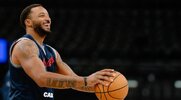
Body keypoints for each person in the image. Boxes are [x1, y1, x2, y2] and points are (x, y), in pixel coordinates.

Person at [9, 4, 115, 100]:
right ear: (28, 22)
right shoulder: (24, 45)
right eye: (42, 15)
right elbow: (41, 78)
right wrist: (86, 80)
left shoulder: (52, 52)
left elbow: (76, 82)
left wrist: (104, 87)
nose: (48, 19)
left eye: (48, 16)